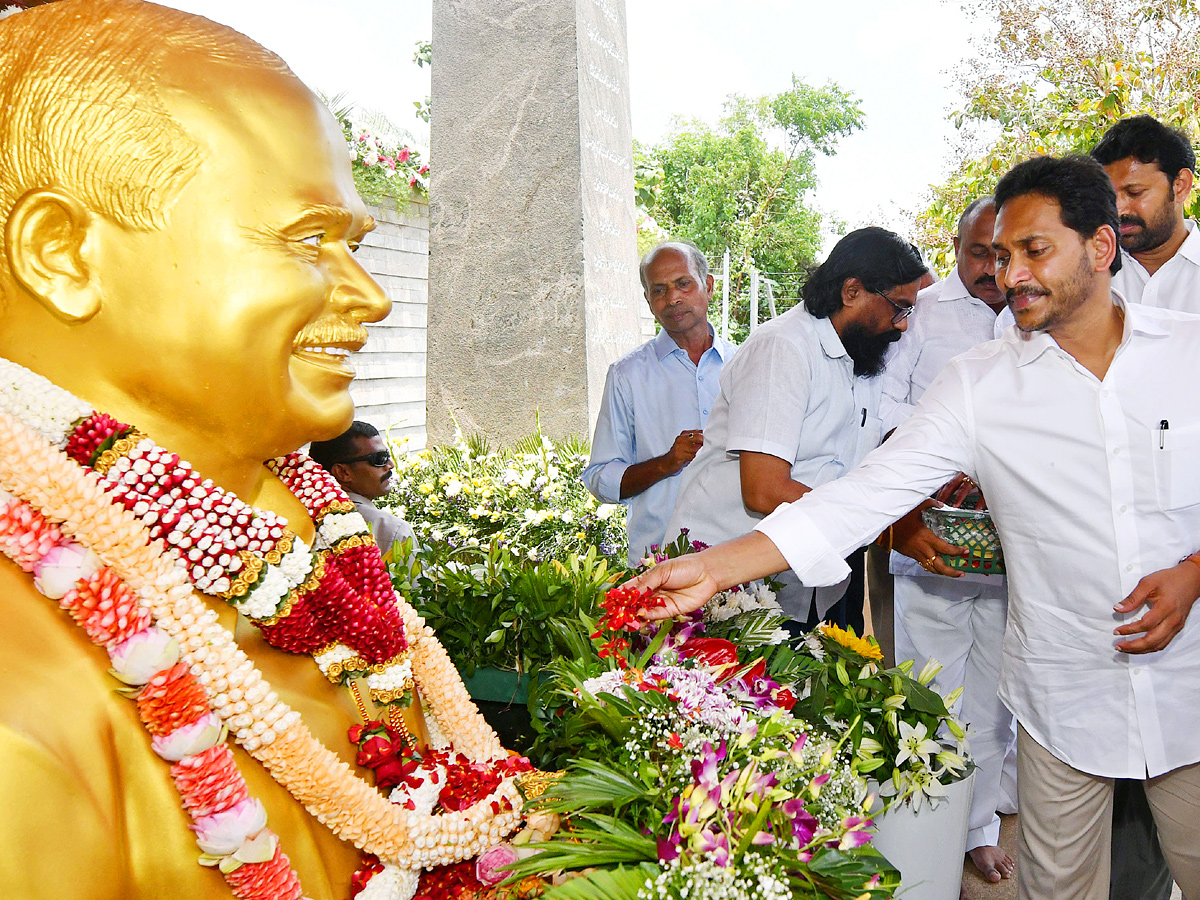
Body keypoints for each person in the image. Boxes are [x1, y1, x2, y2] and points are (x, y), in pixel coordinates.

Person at [0, 3, 518, 897]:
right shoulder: (27, 722)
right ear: (64, 256)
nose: (372, 298)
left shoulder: (310, 535)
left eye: (354, 244)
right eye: (308, 239)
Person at [634, 155, 1200, 900]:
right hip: (1062, 704)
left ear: (1100, 249)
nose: (1011, 276)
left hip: (1190, 690)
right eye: (1001, 255)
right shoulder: (980, 383)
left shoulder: (1186, 354)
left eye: (1035, 251)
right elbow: (860, 498)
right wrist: (713, 570)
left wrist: (1194, 573)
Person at [664, 227, 927, 629]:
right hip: (727, 587)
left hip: (810, 582)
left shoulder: (864, 357)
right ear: (852, 291)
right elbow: (764, 489)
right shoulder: (783, 347)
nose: (902, 325)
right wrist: (883, 527)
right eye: (898, 307)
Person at [880, 197, 1019, 886]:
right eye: (977, 253)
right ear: (954, 246)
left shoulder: (1034, 309)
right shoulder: (923, 313)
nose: (992, 269)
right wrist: (946, 458)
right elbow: (881, 406)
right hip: (932, 535)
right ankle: (924, 829)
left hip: (1013, 550)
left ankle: (977, 828)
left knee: (995, 699)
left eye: (1003, 253)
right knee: (931, 693)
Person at [582, 241, 735, 564]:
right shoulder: (628, 375)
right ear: (649, 301)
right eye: (659, 290)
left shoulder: (745, 365)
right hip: (660, 565)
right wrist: (666, 463)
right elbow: (600, 478)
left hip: (740, 561)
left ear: (708, 286)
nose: (673, 298)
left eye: (683, 284)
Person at [994, 114, 1199, 332]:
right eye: (1109, 195)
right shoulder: (1078, 271)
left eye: (1134, 192)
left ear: (1180, 186)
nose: (1119, 209)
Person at [309, 420, 416, 560]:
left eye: (387, 456)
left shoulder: (298, 519)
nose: (391, 464)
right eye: (379, 458)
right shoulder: (393, 530)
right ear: (343, 472)